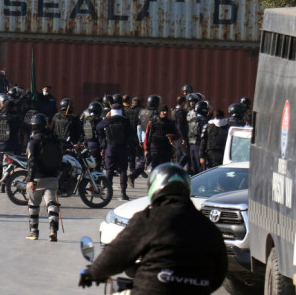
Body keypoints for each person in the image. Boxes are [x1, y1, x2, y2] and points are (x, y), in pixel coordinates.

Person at [79, 163, 228, 294]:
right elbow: (219, 274)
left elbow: (117, 254)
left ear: (155, 188)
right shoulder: (208, 227)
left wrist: (92, 272)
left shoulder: (149, 218)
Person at [25, 112, 62, 241]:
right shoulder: (54, 138)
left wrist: (30, 179)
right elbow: (60, 156)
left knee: (34, 205)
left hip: (37, 177)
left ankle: (34, 232)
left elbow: (32, 161)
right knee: (51, 204)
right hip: (52, 176)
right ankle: (53, 230)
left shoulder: (34, 140)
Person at [97, 104, 133, 201]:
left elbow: (98, 127)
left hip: (110, 147)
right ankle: (123, 192)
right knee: (123, 171)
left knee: (109, 170)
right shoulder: (125, 121)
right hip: (123, 148)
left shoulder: (108, 121)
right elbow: (130, 134)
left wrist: (106, 118)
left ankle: (109, 192)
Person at [0, 98, 22, 193]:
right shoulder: (15, 118)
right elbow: (20, 130)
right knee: (6, 166)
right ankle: (4, 186)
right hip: (10, 146)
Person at [145, 104, 180, 170]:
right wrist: (146, 149)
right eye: (163, 111)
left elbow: (177, 135)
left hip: (166, 150)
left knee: (165, 169)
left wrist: (172, 136)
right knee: (155, 167)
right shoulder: (153, 122)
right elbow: (147, 135)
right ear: (159, 112)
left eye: (166, 111)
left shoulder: (171, 123)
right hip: (155, 148)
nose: (165, 112)